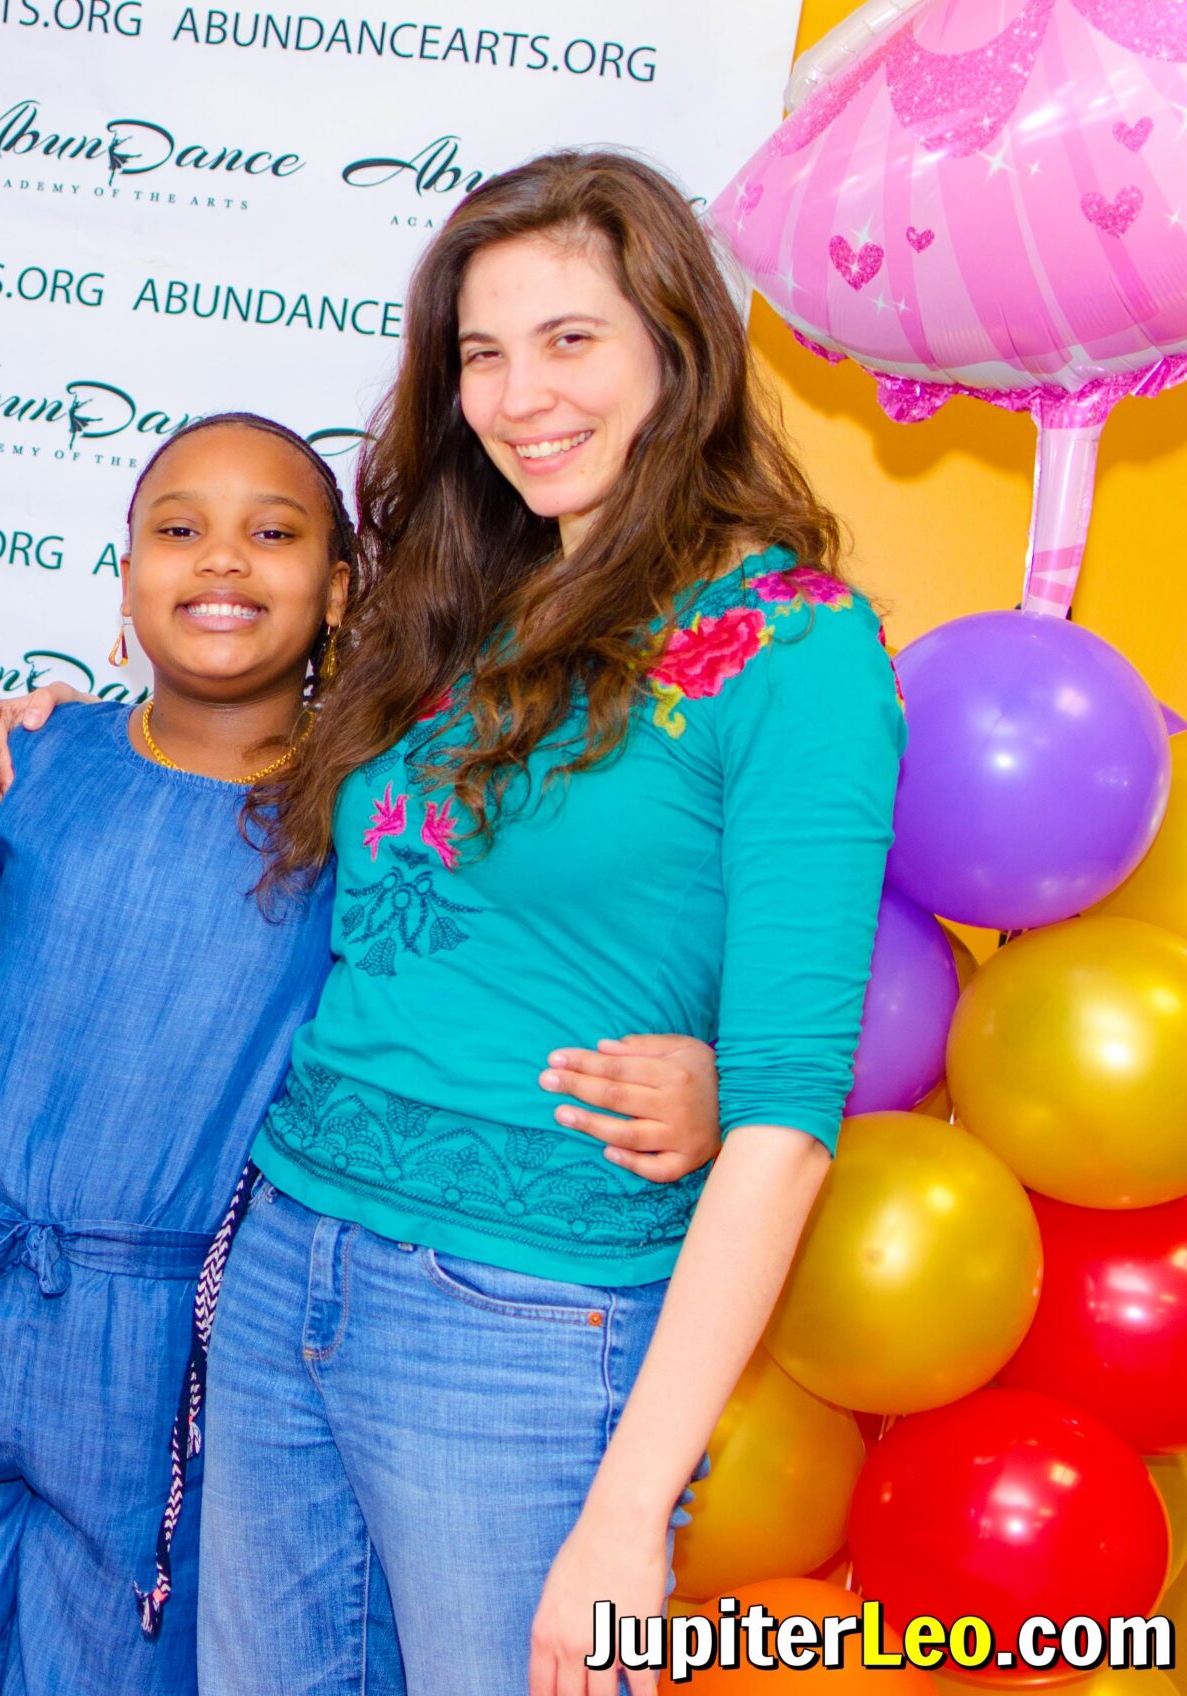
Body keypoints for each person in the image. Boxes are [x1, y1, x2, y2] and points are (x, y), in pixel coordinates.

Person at [0, 412, 728, 1696]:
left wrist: (706, 1072)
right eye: (179, 529)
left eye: (273, 534)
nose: (222, 561)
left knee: (115, 1658)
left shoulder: (365, 811)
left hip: (164, 1340)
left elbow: (502, 971)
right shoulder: (40, 758)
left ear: (337, 592)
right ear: (123, 573)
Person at [197, 152, 904, 1696]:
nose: (521, 398)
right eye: (483, 354)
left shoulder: (797, 644)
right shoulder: (468, 594)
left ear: (680, 343)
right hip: (286, 1258)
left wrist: (627, 1513)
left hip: (521, 1323)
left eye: (571, 339)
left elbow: (788, 1117)